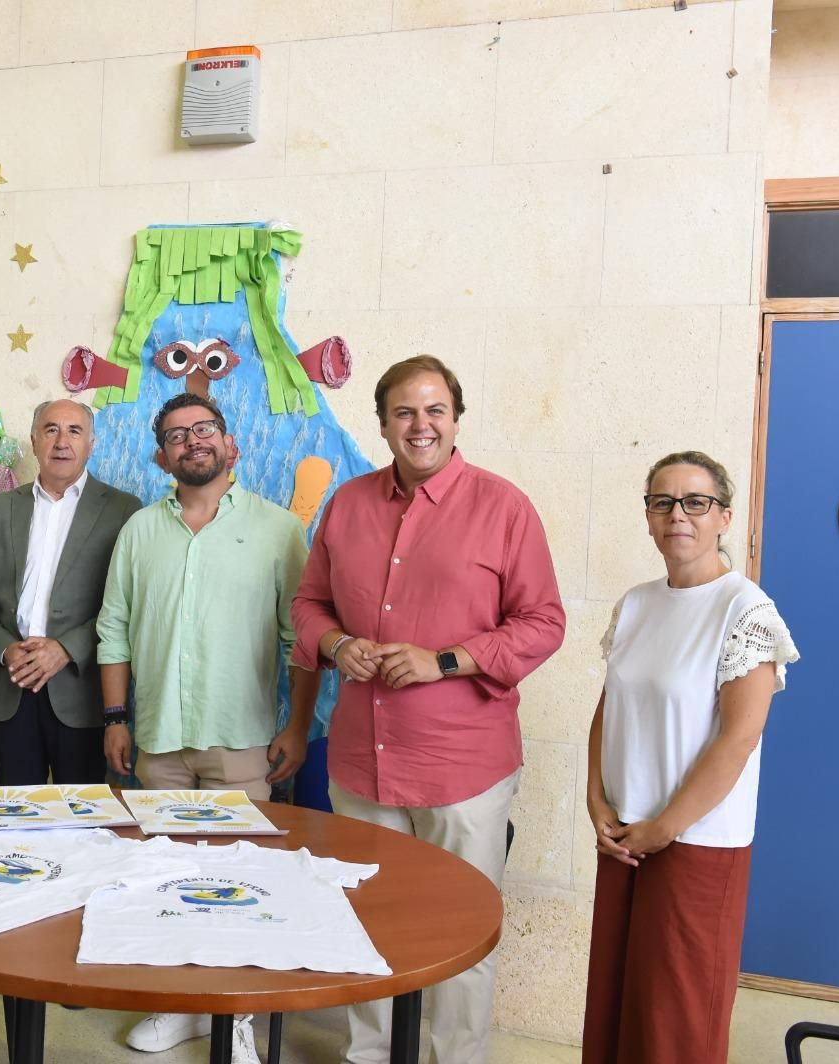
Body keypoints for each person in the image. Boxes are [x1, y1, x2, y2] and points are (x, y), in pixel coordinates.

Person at [291, 355, 565, 1064]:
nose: (421, 425)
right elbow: (307, 604)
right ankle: (369, 1054)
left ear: (456, 419)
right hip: (361, 764)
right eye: (405, 412)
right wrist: (336, 641)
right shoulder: (346, 505)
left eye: (435, 410)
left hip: (463, 768)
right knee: (368, 922)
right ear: (382, 423)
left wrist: (444, 660)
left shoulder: (504, 507)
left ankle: (456, 1058)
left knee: (459, 932)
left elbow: (542, 623)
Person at [98, 393, 317, 1064]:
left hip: (242, 740)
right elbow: (114, 629)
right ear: (161, 455)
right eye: (175, 435)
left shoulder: (280, 531)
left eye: (203, 429)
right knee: (167, 876)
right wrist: (115, 717)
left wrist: (298, 727)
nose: (191, 441)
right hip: (158, 741)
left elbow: (302, 639)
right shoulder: (139, 531)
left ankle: (238, 1015)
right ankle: (177, 1006)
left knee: (240, 881)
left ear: (231, 444)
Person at [582, 452, 797, 1064]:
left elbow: (738, 739)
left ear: (724, 516)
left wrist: (663, 829)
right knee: (616, 1005)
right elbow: (609, 710)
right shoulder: (636, 604)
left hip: (696, 841)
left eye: (695, 502)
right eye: (662, 501)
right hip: (624, 833)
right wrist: (598, 803)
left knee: (676, 1020)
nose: (678, 514)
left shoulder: (745, 610)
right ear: (648, 517)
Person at [0, 399, 141, 786]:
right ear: (34, 440)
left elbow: (125, 606)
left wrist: (66, 648)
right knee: (17, 818)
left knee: (84, 822)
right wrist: (6, 649)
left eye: (74, 431)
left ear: (91, 444)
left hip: (81, 693)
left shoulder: (123, 510)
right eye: (51, 429)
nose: (62, 441)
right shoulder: (2, 508)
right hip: (11, 687)